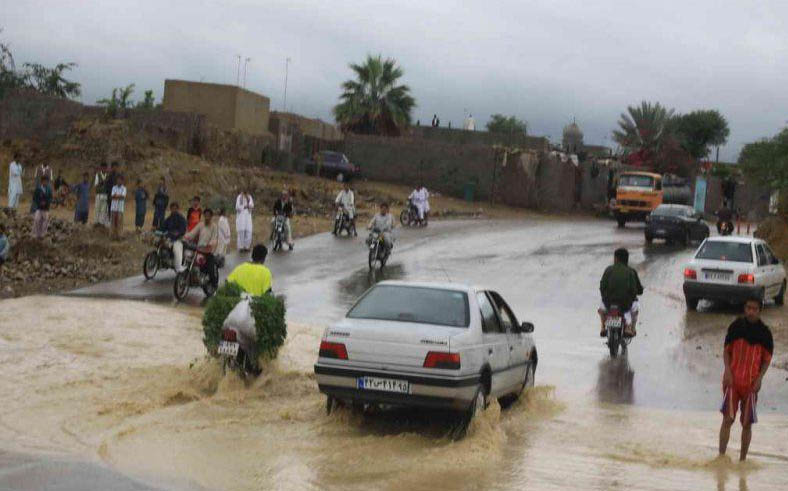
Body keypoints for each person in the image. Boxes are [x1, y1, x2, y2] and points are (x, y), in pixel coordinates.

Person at [719, 297, 773, 462]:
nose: (751, 311)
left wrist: (760, 378)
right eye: (748, 308)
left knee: (747, 424)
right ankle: (721, 458)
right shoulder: (735, 327)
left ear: (759, 310)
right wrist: (727, 370)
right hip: (732, 382)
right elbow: (726, 351)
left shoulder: (765, 333)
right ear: (745, 308)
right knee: (727, 419)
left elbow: (766, 360)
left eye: (754, 308)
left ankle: (742, 461)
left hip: (751, 385)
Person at [598, 248, 642, 337]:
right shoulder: (631, 271)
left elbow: (602, 287)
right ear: (627, 259)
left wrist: (605, 296)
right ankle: (630, 328)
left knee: (601, 309)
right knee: (635, 308)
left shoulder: (608, 270)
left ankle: (603, 327)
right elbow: (634, 290)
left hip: (608, 302)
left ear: (616, 258)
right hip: (625, 304)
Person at [182, 208, 219, 287]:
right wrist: (184, 237)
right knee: (189, 260)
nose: (207, 217)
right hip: (199, 249)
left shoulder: (214, 226)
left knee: (211, 269)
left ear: (211, 217)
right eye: (205, 216)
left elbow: (215, 238)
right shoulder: (200, 224)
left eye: (208, 216)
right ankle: (193, 278)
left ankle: (214, 285)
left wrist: (210, 243)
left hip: (208, 251)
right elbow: (192, 233)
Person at [159, 202, 187, 270]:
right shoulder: (169, 218)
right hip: (169, 237)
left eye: (175, 208)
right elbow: (163, 226)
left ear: (178, 209)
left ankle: (179, 267)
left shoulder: (181, 218)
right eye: (172, 208)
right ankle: (162, 261)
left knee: (176, 249)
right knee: (161, 244)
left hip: (178, 239)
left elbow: (183, 229)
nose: (173, 210)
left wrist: (178, 233)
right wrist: (157, 229)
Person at [31, 175, 53, 239]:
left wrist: (46, 202)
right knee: (37, 220)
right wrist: (39, 202)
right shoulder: (38, 189)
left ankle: (43, 235)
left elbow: (51, 197)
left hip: (46, 208)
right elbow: (34, 198)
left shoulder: (49, 189)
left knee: (45, 221)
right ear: (42, 182)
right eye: (44, 181)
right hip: (39, 208)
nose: (45, 183)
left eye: (47, 181)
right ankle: (36, 234)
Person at [110, 174, 127, 240]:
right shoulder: (114, 187)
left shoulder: (124, 188)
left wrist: (116, 196)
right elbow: (112, 196)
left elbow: (123, 197)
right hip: (113, 207)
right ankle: (112, 236)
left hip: (120, 208)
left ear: (122, 181)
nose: (119, 181)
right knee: (113, 222)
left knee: (120, 222)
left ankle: (119, 236)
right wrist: (118, 196)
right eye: (118, 179)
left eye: (120, 180)